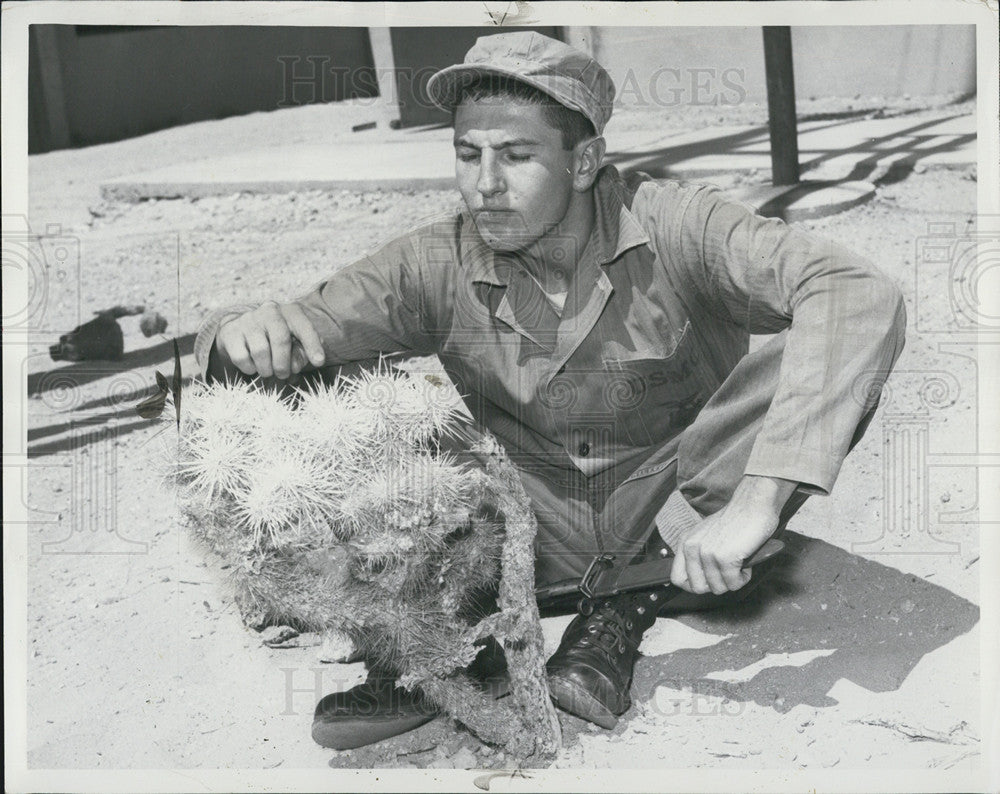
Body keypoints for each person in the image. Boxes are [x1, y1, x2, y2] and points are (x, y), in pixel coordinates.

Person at [194, 31, 905, 746]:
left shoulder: (676, 224)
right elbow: (296, 330)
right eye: (467, 155)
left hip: (679, 518)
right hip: (522, 531)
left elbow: (857, 293)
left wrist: (755, 505)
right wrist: (239, 332)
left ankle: (620, 612)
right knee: (316, 382)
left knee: (818, 347)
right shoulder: (433, 260)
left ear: (585, 161)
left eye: (518, 156)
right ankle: (434, 640)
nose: (485, 184)